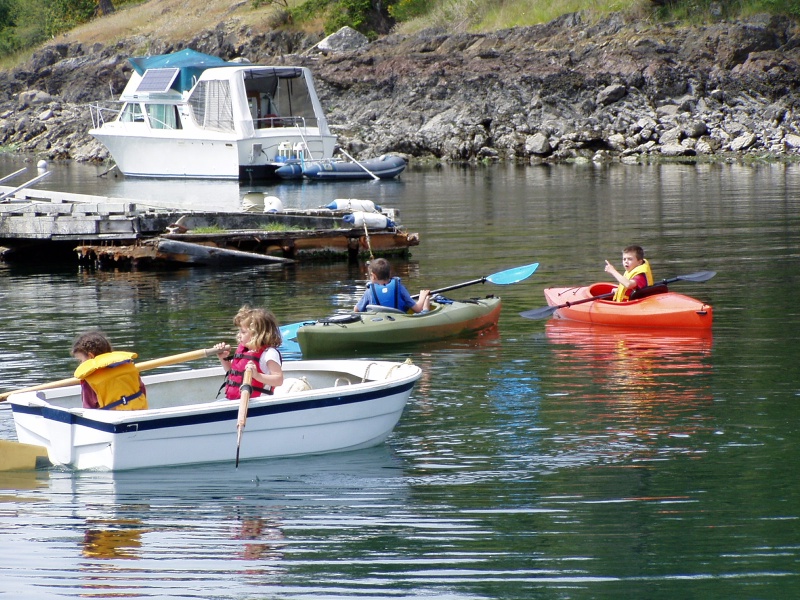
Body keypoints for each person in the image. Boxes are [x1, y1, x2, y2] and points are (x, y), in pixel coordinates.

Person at [214, 305, 284, 400]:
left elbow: (278, 380)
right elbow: (232, 372)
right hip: (234, 400)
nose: (238, 335)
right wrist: (223, 358)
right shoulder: (245, 351)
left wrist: (257, 375)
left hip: (257, 403)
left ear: (257, 334)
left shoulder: (269, 353)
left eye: (243, 332)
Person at [71, 330, 148, 410]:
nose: (80, 364)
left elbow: (89, 409)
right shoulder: (127, 365)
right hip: (139, 412)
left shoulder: (89, 378)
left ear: (91, 356)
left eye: (80, 360)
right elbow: (142, 391)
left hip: (110, 419)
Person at [353, 258, 432, 313]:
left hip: (377, 322)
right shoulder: (400, 288)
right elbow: (418, 309)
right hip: (399, 322)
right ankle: (426, 303)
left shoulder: (369, 292)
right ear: (390, 274)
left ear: (373, 276)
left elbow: (356, 310)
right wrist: (422, 296)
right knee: (425, 309)